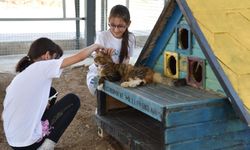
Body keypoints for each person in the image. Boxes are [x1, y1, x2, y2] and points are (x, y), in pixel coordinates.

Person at [2, 37, 103, 150]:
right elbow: (79, 57)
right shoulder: (41, 66)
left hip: (13, 141)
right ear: (47, 55)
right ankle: (46, 145)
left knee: (51, 92)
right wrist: (96, 45)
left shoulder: (23, 74)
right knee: (73, 100)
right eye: (55, 58)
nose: (57, 62)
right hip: (28, 144)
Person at [87, 4, 136, 95]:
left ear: (128, 24)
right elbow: (97, 63)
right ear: (108, 21)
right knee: (100, 92)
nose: (116, 30)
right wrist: (105, 59)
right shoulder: (102, 36)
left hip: (116, 73)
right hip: (99, 72)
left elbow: (126, 61)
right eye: (112, 25)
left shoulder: (131, 38)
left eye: (121, 26)